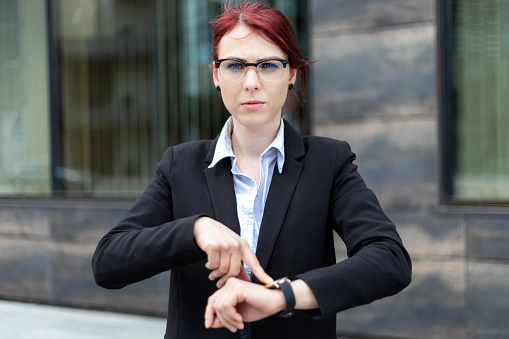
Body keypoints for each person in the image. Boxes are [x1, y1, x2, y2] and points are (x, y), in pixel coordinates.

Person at [92, 1, 412, 338]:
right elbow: (108, 262)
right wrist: (195, 230)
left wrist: (283, 296)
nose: (251, 82)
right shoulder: (179, 165)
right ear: (216, 74)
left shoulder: (328, 162)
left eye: (269, 65)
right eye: (234, 66)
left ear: (292, 73)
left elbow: (389, 258)